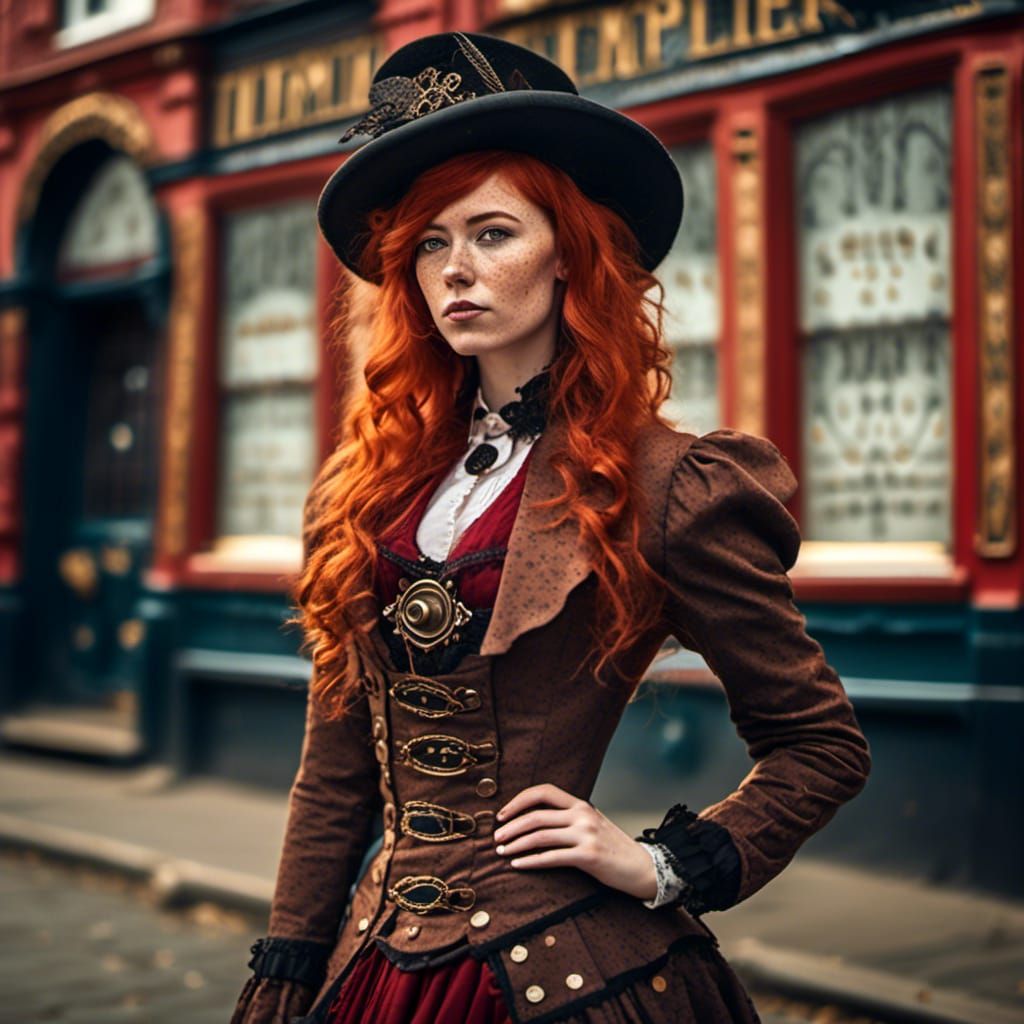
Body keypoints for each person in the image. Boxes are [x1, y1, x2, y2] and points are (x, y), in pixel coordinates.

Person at [230, 30, 871, 1024]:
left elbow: (818, 742)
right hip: (374, 963)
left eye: (492, 233)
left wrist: (662, 862)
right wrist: (287, 967)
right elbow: (333, 777)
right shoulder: (367, 488)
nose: (456, 270)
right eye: (430, 243)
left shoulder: (666, 484)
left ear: (569, 253)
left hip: (563, 973)